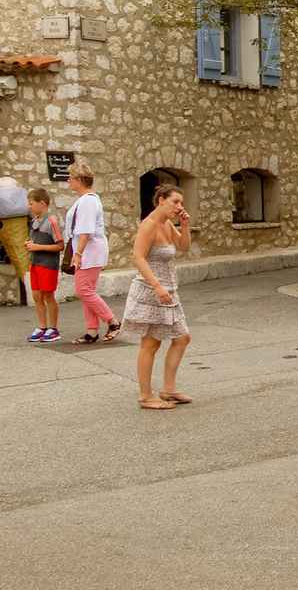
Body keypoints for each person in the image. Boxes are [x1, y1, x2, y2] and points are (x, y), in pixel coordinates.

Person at [122, 184, 193, 410]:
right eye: (175, 202)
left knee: (182, 337)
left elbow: (183, 246)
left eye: (181, 203)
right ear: (161, 200)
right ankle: (145, 396)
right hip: (151, 291)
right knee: (150, 343)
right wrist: (157, 286)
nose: (179, 206)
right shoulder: (149, 225)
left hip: (169, 291)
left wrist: (185, 224)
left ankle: (168, 389)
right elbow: (139, 258)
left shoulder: (167, 225)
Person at [64, 161, 120, 344]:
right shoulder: (87, 199)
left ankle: (112, 321)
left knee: (83, 290)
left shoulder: (88, 201)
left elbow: (85, 230)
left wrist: (78, 254)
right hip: (90, 251)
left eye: (70, 177)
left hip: (89, 251)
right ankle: (92, 331)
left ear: (79, 179)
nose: (68, 181)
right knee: (88, 290)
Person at [23, 188, 62, 343]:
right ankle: (42, 327)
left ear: (42, 203)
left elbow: (60, 245)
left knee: (48, 295)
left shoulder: (51, 221)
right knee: (37, 296)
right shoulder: (34, 222)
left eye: (31, 203)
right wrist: (30, 244)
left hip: (48, 265)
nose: (29, 207)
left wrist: (37, 247)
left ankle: (53, 328)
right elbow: (36, 242)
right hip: (35, 263)